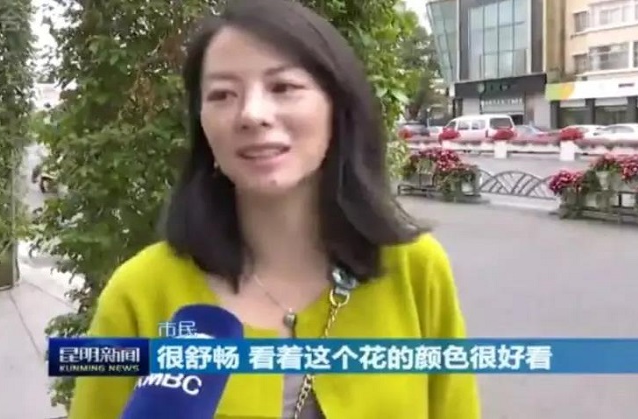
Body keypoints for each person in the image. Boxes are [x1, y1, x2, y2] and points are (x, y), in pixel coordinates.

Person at [68, 0, 480, 418]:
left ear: (336, 108)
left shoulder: (414, 270)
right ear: (203, 125)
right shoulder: (138, 292)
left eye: (282, 87)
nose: (252, 114)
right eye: (222, 94)